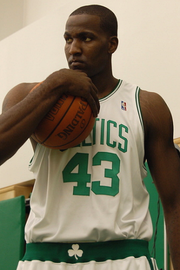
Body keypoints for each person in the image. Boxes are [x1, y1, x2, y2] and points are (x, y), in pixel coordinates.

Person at [2, 4, 180, 270]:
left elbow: (175, 203)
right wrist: (55, 84)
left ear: (112, 44)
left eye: (86, 38)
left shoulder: (145, 105)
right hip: (44, 257)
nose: (74, 49)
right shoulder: (30, 95)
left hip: (123, 257)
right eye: (68, 39)